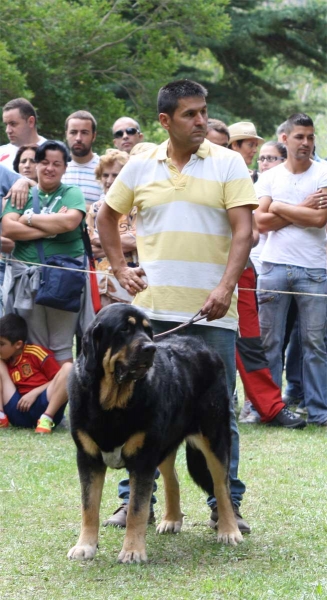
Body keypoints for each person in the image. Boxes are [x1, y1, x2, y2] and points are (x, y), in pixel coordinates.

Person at [97, 79, 258, 533]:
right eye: (190, 114)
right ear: (165, 121)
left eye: (204, 111)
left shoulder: (228, 163)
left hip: (211, 313)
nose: (201, 120)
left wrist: (225, 288)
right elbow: (107, 216)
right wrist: (119, 267)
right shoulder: (141, 165)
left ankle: (225, 504)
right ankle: (133, 502)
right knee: (138, 407)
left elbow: (244, 232)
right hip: (150, 317)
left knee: (217, 411)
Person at [255, 113, 327, 426]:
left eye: (311, 137)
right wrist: (303, 207)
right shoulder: (270, 176)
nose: (307, 143)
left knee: (314, 342)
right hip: (273, 266)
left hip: (314, 269)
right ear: (285, 139)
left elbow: (319, 220)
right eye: (300, 137)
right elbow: (260, 221)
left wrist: (280, 207)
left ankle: (318, 410)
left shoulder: (324, 173)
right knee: (269, 341)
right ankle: (269, 409)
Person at [1, 140, 93, 365]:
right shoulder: (21, 194)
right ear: (36, 165)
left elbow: (70, 222)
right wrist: (52, 228)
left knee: (61, 346)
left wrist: (29, 218)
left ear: (64, 167)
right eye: (44, 162)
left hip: (63, 279)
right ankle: (40, 398)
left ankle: (59, 399)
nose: (50, 168)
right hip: (27, 279)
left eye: (56, 163)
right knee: (34, 346)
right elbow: (9, 228)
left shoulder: (72, 193)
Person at [0, 313, 71, 433]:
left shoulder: (35, 353)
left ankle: (46, 419)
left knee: (69, 368)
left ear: (18, 344)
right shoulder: (4, 360)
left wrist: (34, 393)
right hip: (17, 410)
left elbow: (57, 380)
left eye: (1, 344)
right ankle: (1, 417)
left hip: (43, 406)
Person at [86, 149, 135, 306]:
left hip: (130, 282)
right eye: (105, 175)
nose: (109, 180)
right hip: (100, 283)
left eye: (115, 175)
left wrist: (102, 241)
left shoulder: (134, 207)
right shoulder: (94, 208)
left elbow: (137, 241)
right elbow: (89, 247)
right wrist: (121, 243)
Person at [62, 110, 102, 208]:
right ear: (66, 135)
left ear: (94, 136)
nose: (78, 138)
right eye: (73, 132)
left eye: (84, 133)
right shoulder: (56, 167)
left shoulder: (105, 168)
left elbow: (107, 209)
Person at [0, 98, 46, 170]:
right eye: (6, 124)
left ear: (31, 122)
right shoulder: (1, 153)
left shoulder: (53, 152)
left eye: (13, 124)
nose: (8, 130)